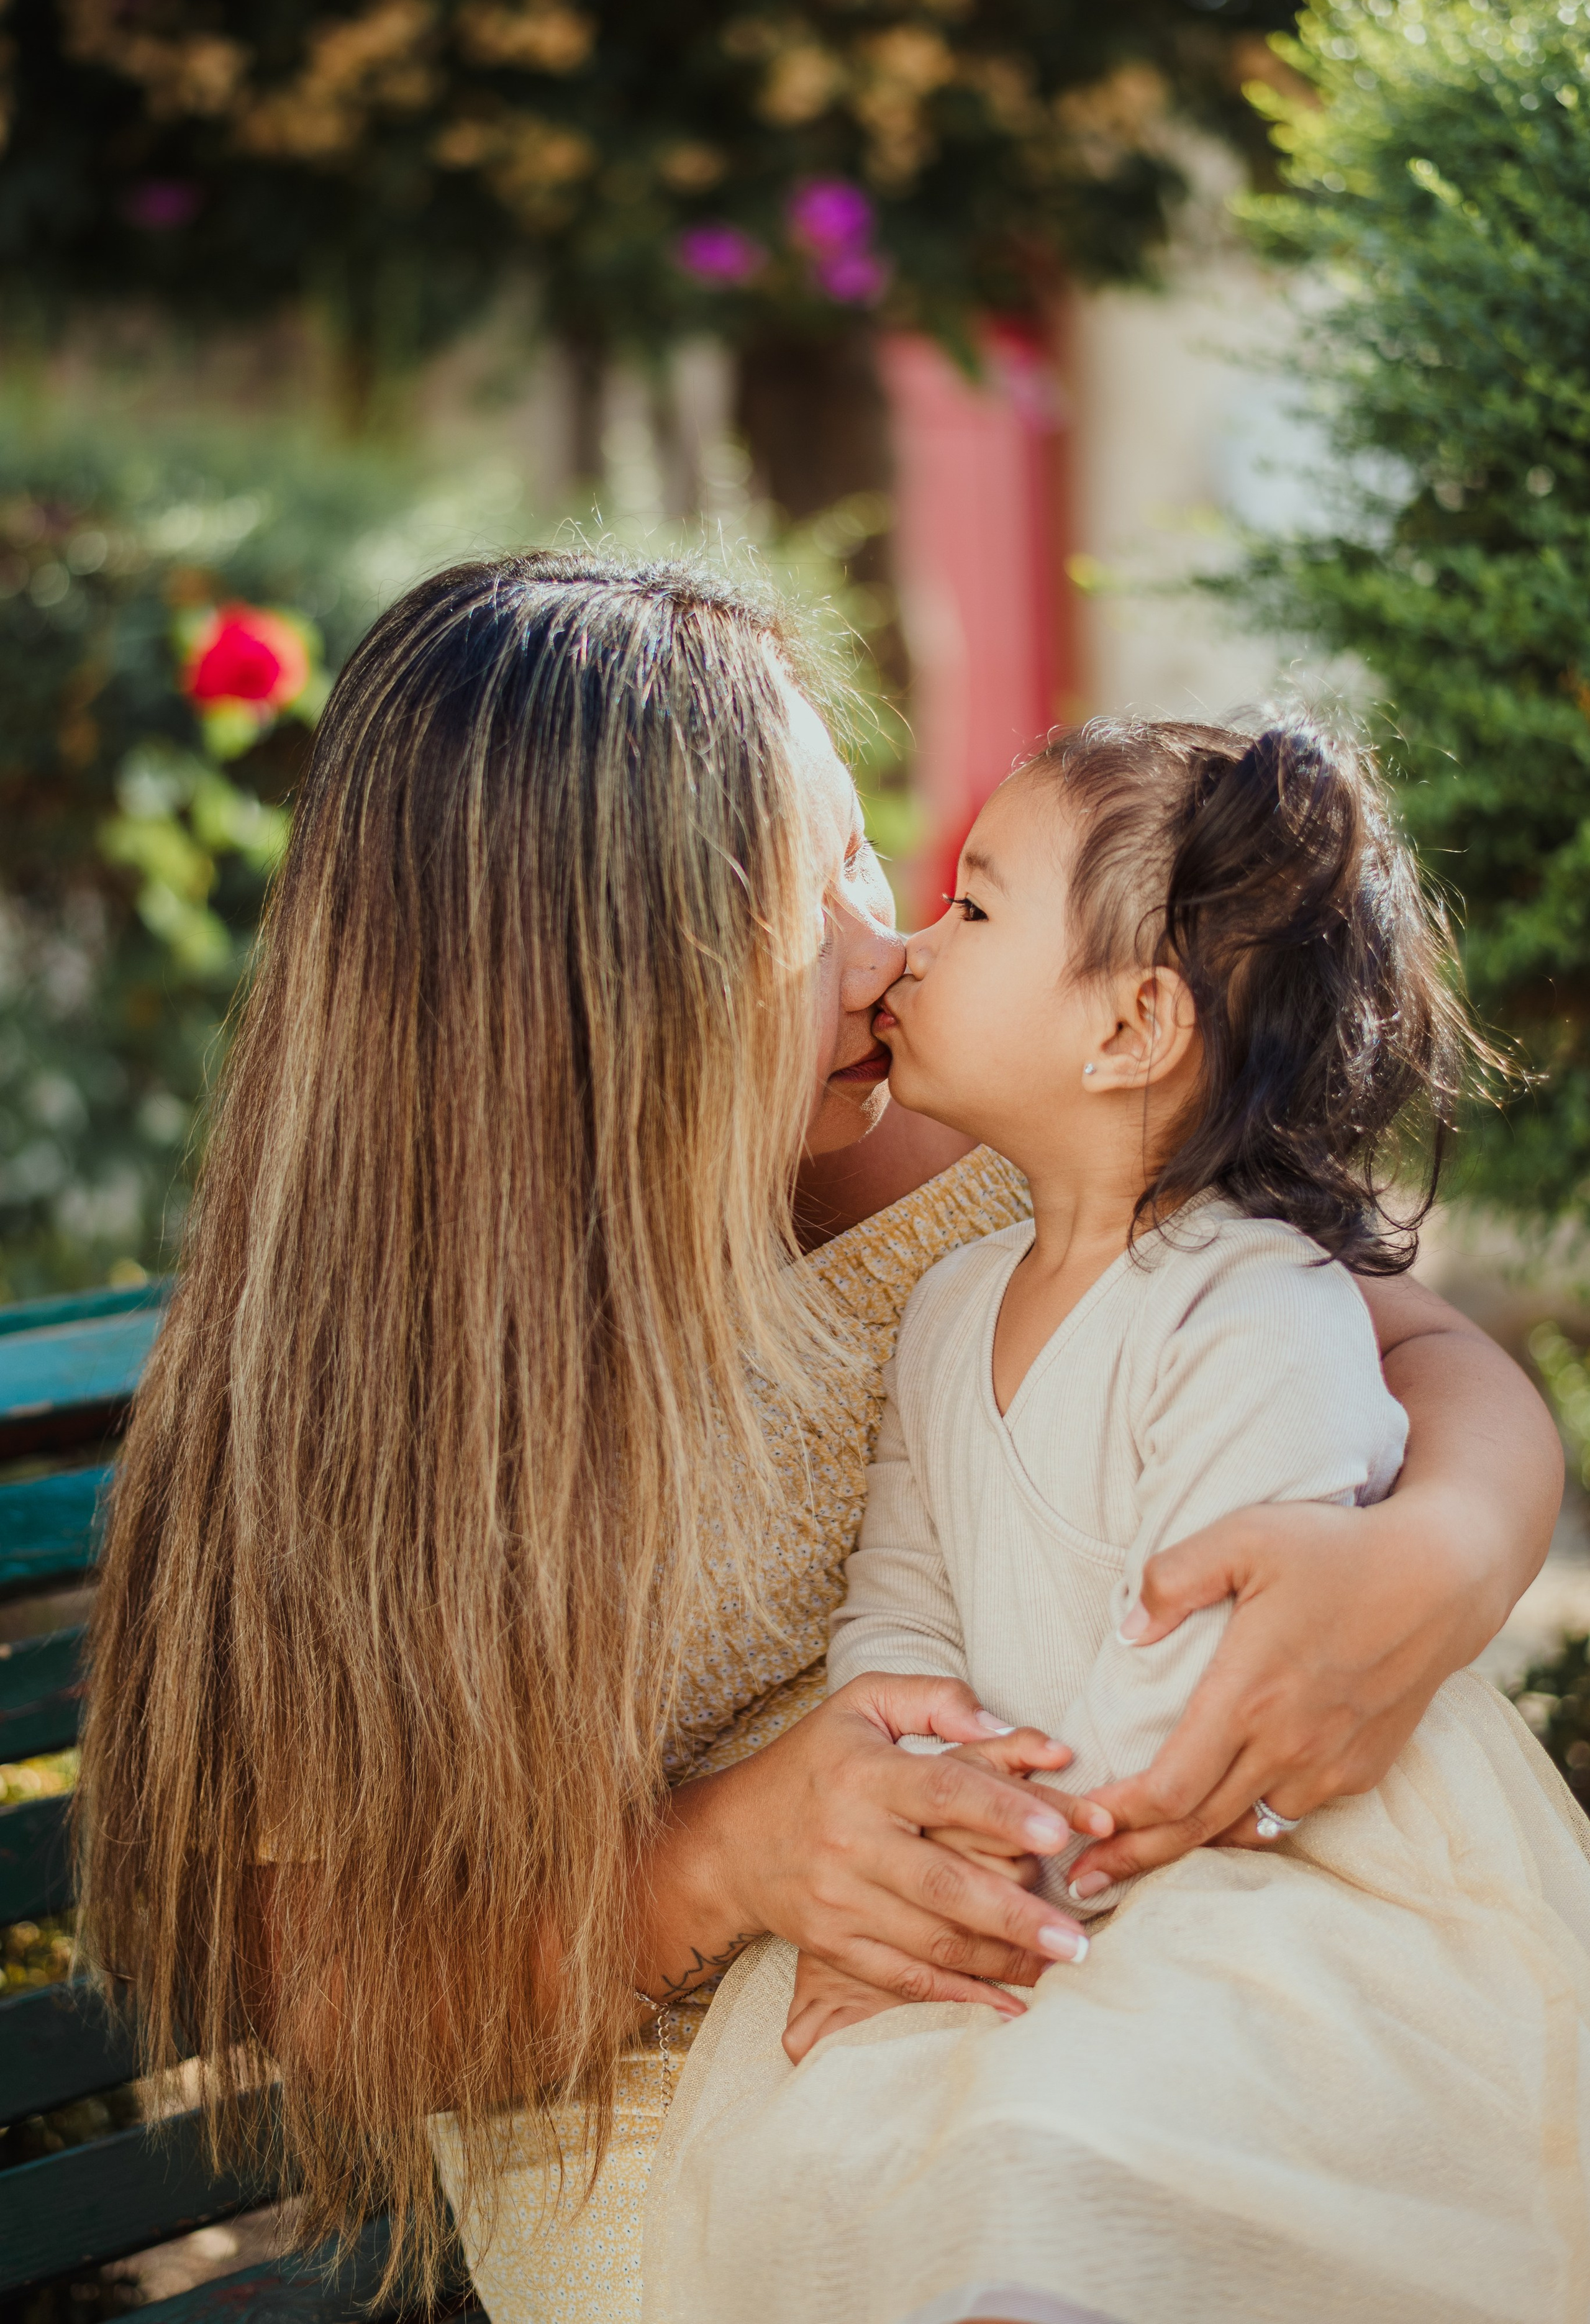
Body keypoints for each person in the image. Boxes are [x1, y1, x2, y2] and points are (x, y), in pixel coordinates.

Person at [74, 562, 1562, 2324]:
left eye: (882, 858)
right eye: (816, 895)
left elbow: (1399, 1337)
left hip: (1106, 1958)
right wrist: (718, 1859)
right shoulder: (333, 1420)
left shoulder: (924, 1156)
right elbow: (327, 1994)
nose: (891, 943)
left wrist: (1443, 1551)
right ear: (608, 986)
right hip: (690, 2139)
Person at [645, 717, 1590, 2324]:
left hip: (1259, 1855)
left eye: (970, 909)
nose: (910, 954)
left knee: (1098, 2146)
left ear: (1134, 1023)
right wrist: (905, 1756)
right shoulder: (952, 1301)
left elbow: (1217, 1672)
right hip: (1074, 1856)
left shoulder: (1254, 1305)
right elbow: (904, 1588)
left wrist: (1019, 1872)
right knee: (871, 2156)